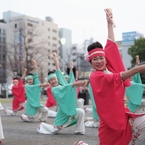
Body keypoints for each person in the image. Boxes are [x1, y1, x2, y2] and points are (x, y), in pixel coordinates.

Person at [85, 8, 145, 145]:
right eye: (95, 59)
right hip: (110, 122)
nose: (99, 61)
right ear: (90, 62)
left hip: (122, 114)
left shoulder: (109, 67)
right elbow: (117, 78)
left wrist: (109, 24)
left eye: (101, 58)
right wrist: (137, 69)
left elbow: (111, 44)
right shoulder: (95, 76)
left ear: (106, 59)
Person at [37, 53, 86, 135]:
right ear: (49, 82)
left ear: (57, 79)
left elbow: (58, 71)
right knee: (55, 130)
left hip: (67, 107)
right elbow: (66, 88)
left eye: (54, 79)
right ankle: (42, 126)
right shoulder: (54, 89)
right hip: (63, 110)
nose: (53, 81)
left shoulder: (62, 83)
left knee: (81, 111)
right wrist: (75, 84)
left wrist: (56, 60)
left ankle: (79, 130)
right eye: (51, 80)